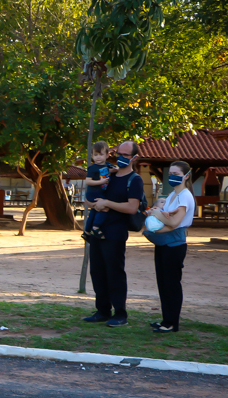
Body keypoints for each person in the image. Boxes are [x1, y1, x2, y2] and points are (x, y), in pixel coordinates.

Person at [82, 140, 145, 327]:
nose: (121, 157)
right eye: (119, 153)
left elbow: (132, 208)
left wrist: (108, 204)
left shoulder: (135, 180)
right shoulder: (108, 175)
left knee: (114, 272)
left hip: (115, 233)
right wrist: (93, 204)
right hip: (97, 233)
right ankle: (102, 310)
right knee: (97, 271)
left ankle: (120, 313)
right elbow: (90, 197)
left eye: (126, 155)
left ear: (134, 157)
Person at [142, 161, 194, 333]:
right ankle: (166, 320)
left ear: (186, 176)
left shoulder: (185, 196)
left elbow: (174, 222)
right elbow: (167, 220)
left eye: (176, 174)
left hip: (175, 244)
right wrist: (157, 216)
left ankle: (172, 323)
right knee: (163, 283)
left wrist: (156, 214)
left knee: (171, 284)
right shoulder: (172, 195)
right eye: (170, 173)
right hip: (164, 243)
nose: (172, 177)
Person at [81, 141, 112, 241]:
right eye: (95, 155)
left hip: (101, 192)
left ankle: (86, 231)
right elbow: (88, 181)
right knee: (105, 208)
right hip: (94, 193)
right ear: (92, 156)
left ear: (107, 155)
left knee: (94, 211)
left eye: (101, 154)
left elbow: (114, 169)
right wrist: (100, 181)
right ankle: (95, 227)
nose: (98, 157)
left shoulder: (107, 165)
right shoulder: (92, 168)